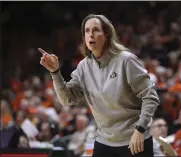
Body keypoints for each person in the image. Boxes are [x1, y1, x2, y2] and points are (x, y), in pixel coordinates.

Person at [39, 14, 160, 157]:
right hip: (104, 142)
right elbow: (67, 99)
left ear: (107, 34)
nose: (91, 34)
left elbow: (151, 97)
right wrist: (55, 72)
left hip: (135, 140)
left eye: (96, 30)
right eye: (87, 31)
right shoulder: (84, 67)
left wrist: (140, 129)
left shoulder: (126, 60)